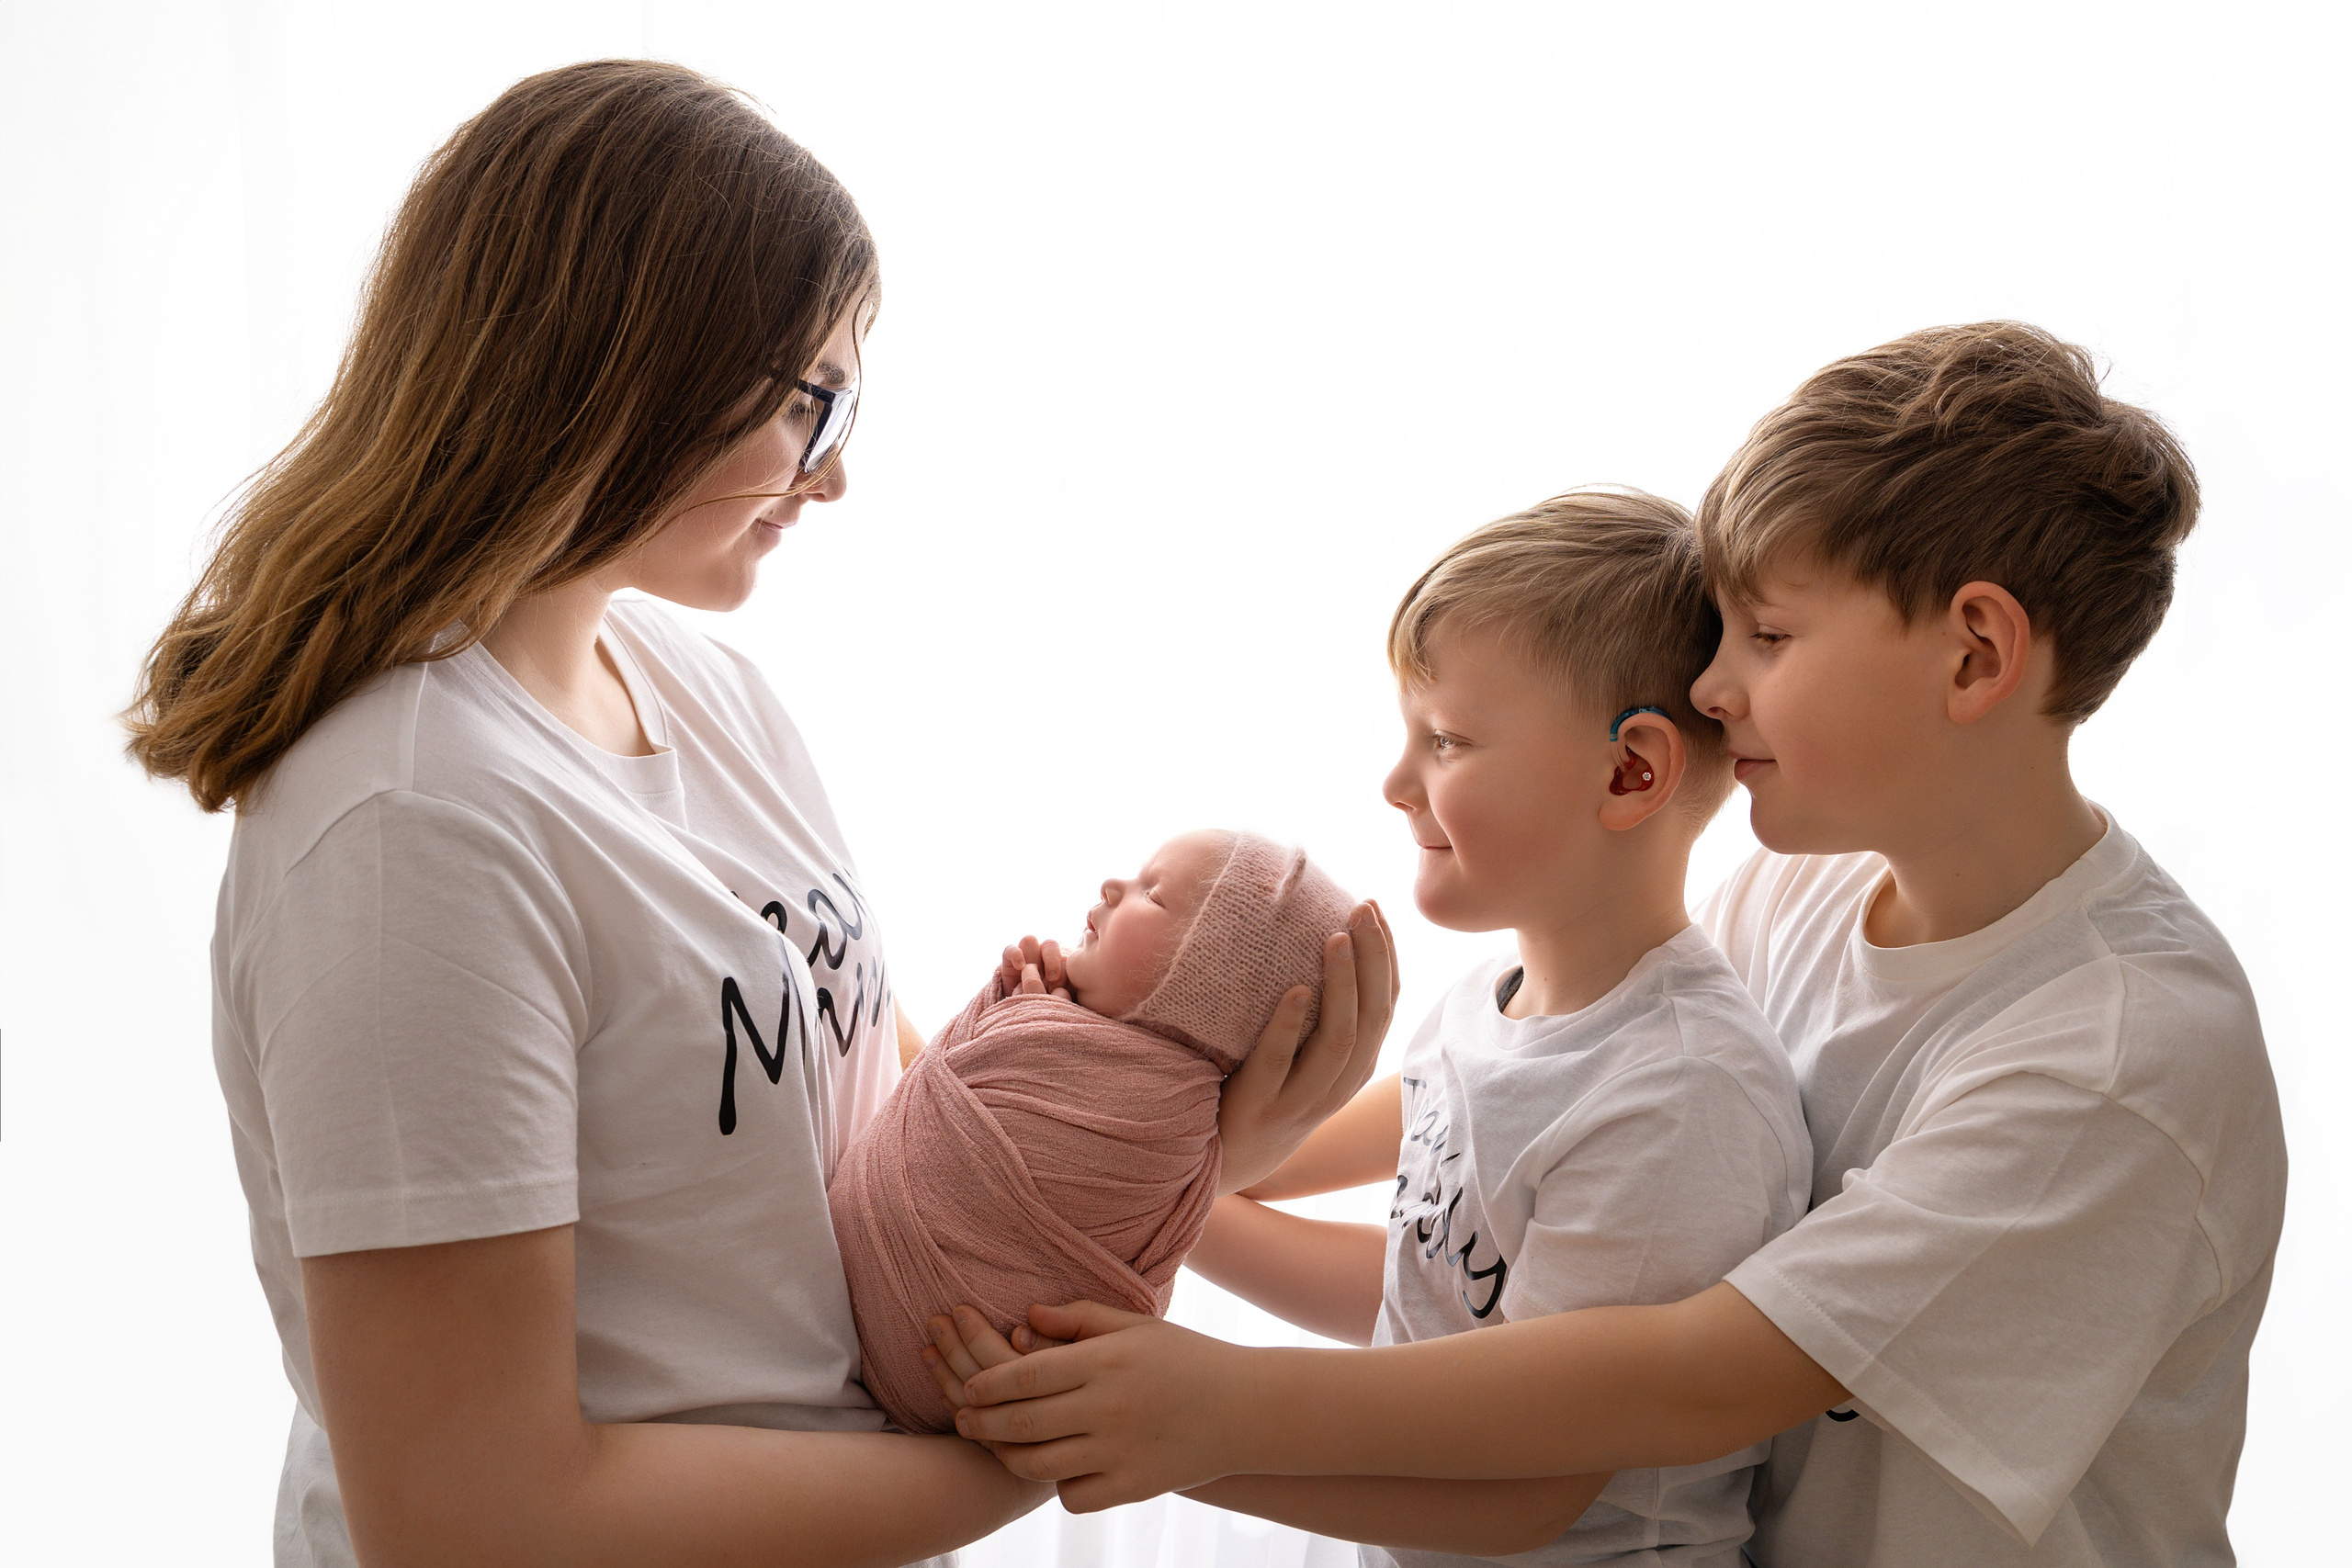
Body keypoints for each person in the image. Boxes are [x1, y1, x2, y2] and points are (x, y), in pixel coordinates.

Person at [125, 60, 1395, 1568]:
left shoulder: (700, 686)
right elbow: (474, 1516)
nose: (835, 473)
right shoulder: (411, 829)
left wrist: (1186, 1154)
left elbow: (858, 1111)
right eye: (813, 402)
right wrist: (1041, 1453)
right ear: (628, 369)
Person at [934, 323, 2288, 1568]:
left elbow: (1695, 1374)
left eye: (1769, 634)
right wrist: (1146, 1180)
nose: (1709, 685)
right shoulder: (1795, 897)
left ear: (1975, 653)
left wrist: (1212, 1410)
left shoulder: (2117, 1052)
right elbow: (1488, 1259)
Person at [928, 491, 1810, 1563]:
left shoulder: (1678, 1095)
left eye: (1446, 740)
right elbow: (1414, 1292)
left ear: (1631, 772)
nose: (1395, 784)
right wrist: (1084, 1075)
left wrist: (1175, 1433)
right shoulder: (1489, 1004)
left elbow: (1528, 1498)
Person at [833, 829, 1355, 1433]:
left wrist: (1022, 1026)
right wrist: (1019, 1018)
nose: (1112, 886)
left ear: (1212, 984)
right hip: (930, 1354)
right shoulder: (1082, 1048)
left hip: (953, 1352)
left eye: (1152, 894)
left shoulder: (1170, 1113)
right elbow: (957, 1091)